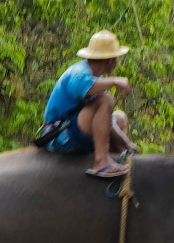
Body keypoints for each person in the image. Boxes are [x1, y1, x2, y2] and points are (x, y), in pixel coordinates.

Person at [41, 30, 136, 178]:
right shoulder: (79, 72)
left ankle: (118, 155)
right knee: (105, 101)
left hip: (77, 130)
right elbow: (84, 87)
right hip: (61, 135)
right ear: (110, 60)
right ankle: (101, 162)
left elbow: (107, 121)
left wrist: (128, 145)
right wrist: (115, 81)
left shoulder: (97, 77)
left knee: (120, 117)